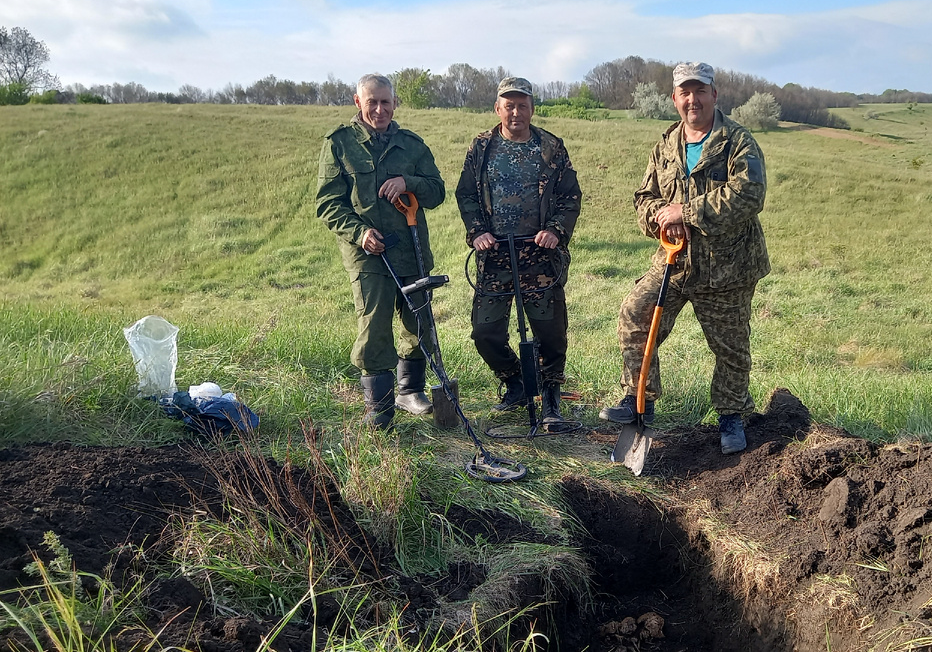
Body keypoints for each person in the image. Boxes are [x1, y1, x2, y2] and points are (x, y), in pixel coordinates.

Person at [599, 62, 770, 455]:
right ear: (675, 98)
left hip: (728, 267)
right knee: (636, 315)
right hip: (675, 263)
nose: (692, 99)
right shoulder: (666, 145)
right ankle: (639, 400)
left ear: (714, 95)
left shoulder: (737, 141)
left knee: (731, 347)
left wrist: (686, 213)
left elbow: (749, 195)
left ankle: (731, 416)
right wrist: (661, 217)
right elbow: (644, 199)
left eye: (699, 91)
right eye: (684, 93)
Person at [316, 73, 447, 428]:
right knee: (374, 327)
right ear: (358, 102)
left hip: (412, 247)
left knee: (418, 322)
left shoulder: (413, 145)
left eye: (385, 102)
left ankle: (410, 391)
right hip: (367, 254)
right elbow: (328, 204)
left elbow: (437, 192)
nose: (379, 109)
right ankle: (380, 408)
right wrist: (359, 234)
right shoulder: (339, 144)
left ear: (395, 103)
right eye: (371, 102)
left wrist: (409, 182)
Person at [455, 77, 582, 429]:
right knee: (485, 332)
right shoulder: (481, 147)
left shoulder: (551, 147)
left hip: (539, 256)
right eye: (508, 105)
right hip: (495, 256)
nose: (515, 112)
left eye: (522, 105)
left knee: (550, 332)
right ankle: (516, 383)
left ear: (531, 108)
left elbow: (570, 197)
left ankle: (551, 398)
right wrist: (477, 231)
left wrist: (555, 231)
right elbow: (466, 194)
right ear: (498, 109)